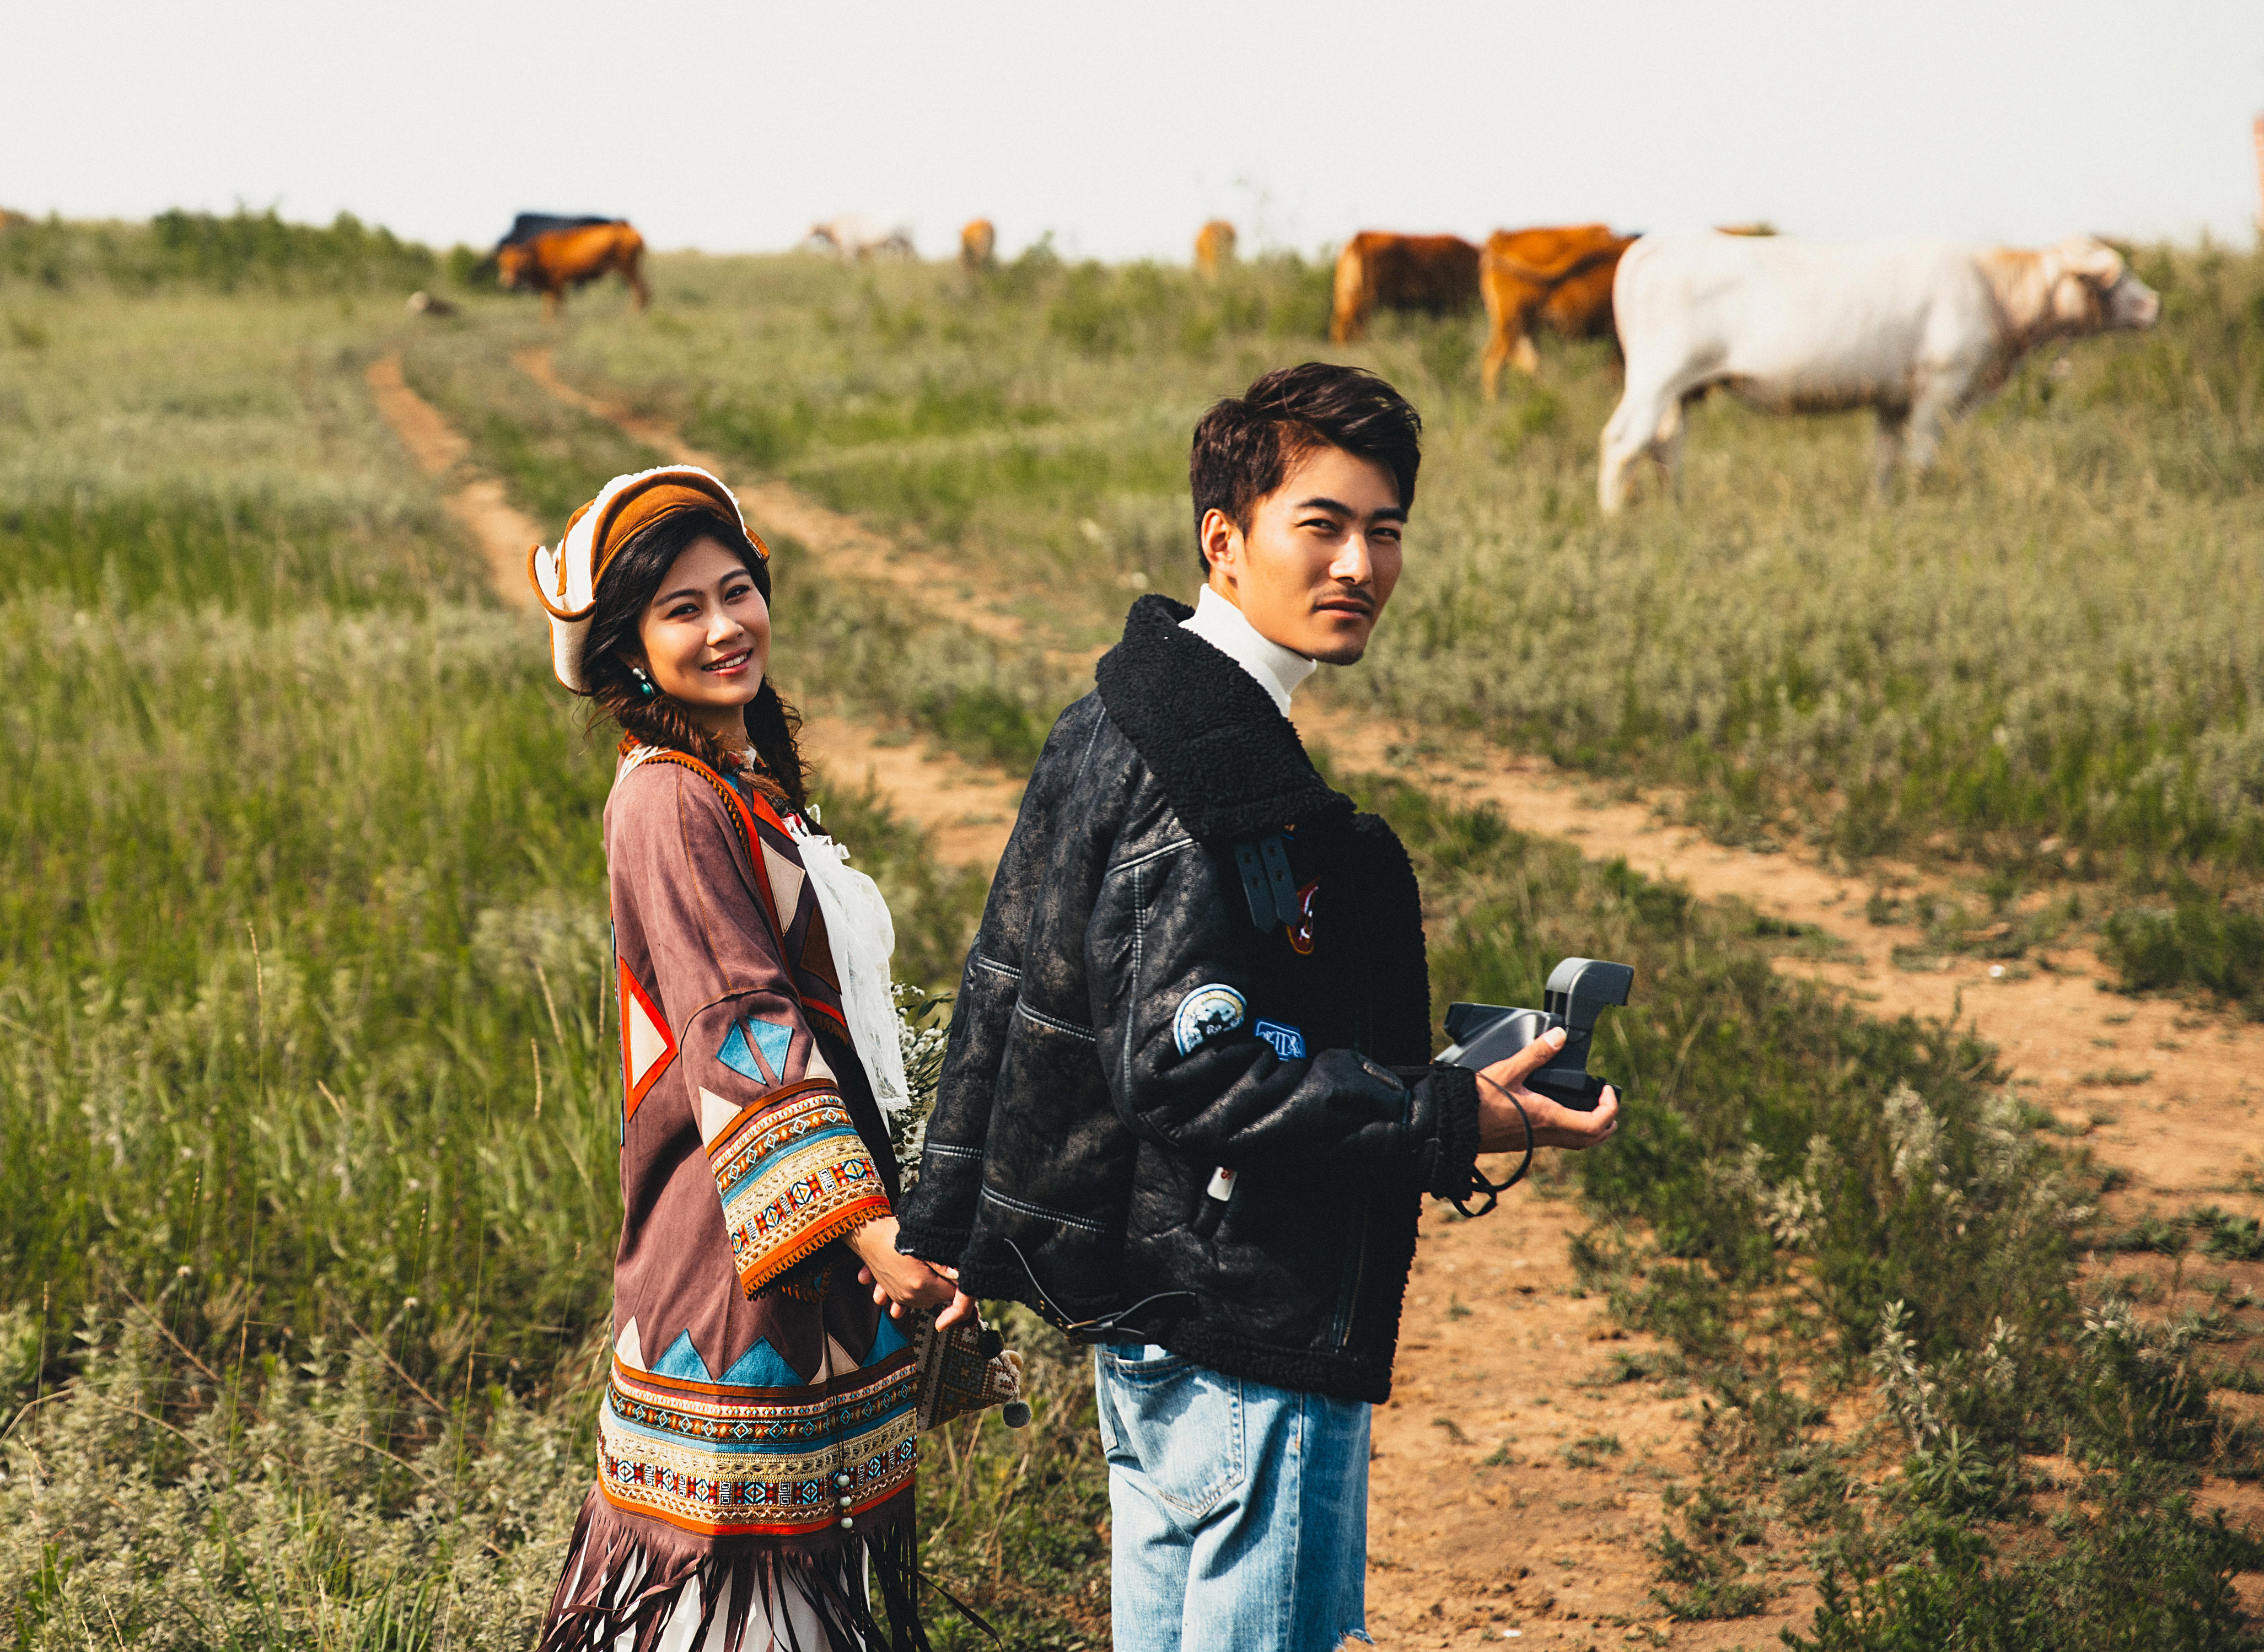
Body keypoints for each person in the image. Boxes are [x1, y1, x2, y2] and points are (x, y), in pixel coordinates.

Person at [895, 364, 1621, 1652]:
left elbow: (1007, 977)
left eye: (1385, 530)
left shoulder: (1122, 709)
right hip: (1243, 1319)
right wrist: (1456, 1113)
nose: (1359, 564)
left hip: (1159, 1311)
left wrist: (949, 1218)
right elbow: (1187, 1069)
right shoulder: (1209, 776)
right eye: (1322, 525)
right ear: (1222, 540)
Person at [529, 466, 974, 1652]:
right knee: (735, 1614)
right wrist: (871, 1228)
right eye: (682, 610)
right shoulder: (670, 802)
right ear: (626, 647)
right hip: (736, 1273)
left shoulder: (743, 788)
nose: (726, 627)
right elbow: (743, 1024)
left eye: (738, 591)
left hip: (806, 1253)